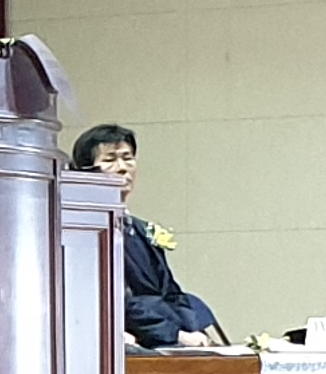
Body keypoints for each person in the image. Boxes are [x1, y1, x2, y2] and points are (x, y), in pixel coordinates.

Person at [77, 124, 219, 348]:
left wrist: (192, 329)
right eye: (110, 159)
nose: (122, 168)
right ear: (87, 172)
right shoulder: (85, 231)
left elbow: (170, 291)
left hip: (167, 340)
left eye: (128, 158)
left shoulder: (141, 229)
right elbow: (116, 299)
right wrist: (175, 335)